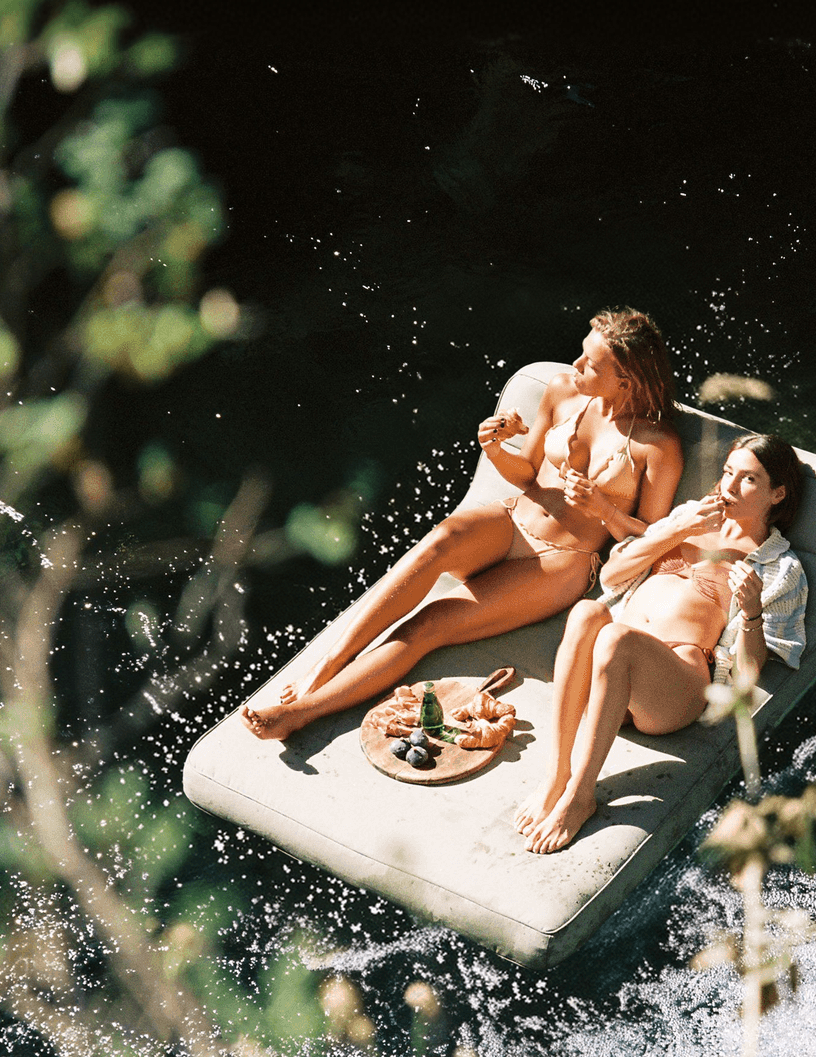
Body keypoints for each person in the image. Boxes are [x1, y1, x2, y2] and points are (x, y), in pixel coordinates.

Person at [242, 309, 684, 741]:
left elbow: (654, 541)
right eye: (581, 353)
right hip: (514, 518)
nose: (576, 365)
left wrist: (604, 510)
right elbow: (527, 473)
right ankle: (325, 668)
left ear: (624, 382)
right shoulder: (564, 391)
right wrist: (493, 448)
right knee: (440, 540)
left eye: (591, 364)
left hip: (560, 561)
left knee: (428, 626)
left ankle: (300, 713)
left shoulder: (656, 445)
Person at [516, 434, 809, 854]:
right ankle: (556, 777)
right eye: (728, 472)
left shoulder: (779, 567)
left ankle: (580, 795)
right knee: (586, 614)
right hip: (607, 679)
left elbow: (751, 671)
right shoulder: (690, 517)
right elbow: (613, 577)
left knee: (615, 637)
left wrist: (751, 613)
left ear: (776, 493)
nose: (728, 486)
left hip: (674, 688)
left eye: (748, 479)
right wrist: (677, 529)